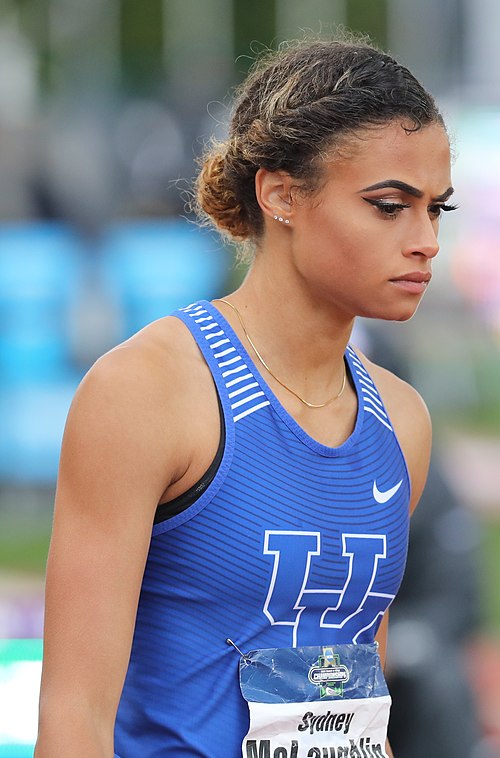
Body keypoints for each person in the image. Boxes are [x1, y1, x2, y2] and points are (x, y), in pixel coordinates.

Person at [35, 36, 457, 757]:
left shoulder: (402, 421)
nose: (425, 242)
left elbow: (358, 702)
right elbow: (72, 723)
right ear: (281, 193)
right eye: (390, 207)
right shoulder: (147, 392)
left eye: (436, 210)